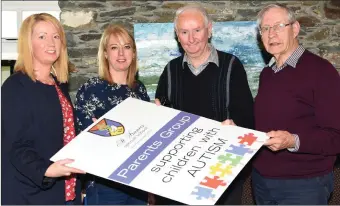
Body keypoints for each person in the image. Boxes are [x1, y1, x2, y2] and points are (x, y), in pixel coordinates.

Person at [155, 4, 254, 205]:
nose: (191, 39)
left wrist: (236, 127)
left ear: (210, 29)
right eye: (184, 32)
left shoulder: (232, 66)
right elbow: (161, 119)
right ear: (177, 34)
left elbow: (248, 120)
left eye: (197, 30)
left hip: (222, 175)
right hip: (178, 176)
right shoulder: (170, 71)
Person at [252, 3, 340, 205]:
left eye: (279, 26)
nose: (271, 34)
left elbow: (336, 136)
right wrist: (236, 130)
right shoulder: (268, 73)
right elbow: (267, 123)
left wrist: (293, 141)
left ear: (295, 28)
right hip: (262, 180)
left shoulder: (321, 72)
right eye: (265, 29)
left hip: (304, 185)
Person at [1, 13, 85, 205]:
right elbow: (15, 145)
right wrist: (46, 170)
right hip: (31, 193)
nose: (51, 42)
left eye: (56, 36)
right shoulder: (15, 86)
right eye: (42, 36)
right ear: (28, 43)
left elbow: (65, 134)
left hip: (65, 191)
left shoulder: (58, 85)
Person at [74, 24, 151, 205]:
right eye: (114, 48)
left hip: (137, 182)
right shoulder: (91, 89)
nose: (121, 54)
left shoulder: (139, 90)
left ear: (133, 53)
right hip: (105, 183)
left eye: (126, 47)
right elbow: (83, 138)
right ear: (106, 53)